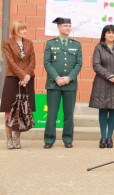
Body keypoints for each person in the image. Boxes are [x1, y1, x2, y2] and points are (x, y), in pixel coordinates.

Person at [43, 17, 82, 149]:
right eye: (65, 26)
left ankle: (67, 139)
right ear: (59, 27)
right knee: (52, 114)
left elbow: (79, 64)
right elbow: (47, 62)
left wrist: (69, 78)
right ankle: (49, 139)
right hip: (54, 84)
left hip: (70, 85)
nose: (68, 28)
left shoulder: (76, 44)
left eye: (69, 26)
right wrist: (57, 78)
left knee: (69, 114)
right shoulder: (50, 43)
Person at [1, 21, 36, 149]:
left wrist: (26, 76)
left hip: (27, 79)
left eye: (25, 29)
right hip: (12, 78)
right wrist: (22, 75)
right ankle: (8, 138)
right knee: (9, 109)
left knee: (22, 109)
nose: (25, 31)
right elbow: (10, 62)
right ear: (15, 30)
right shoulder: (7, 43)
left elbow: (33, 61)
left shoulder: (29, 43)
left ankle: (17, 138)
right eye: (22, 29)